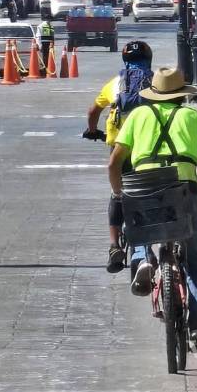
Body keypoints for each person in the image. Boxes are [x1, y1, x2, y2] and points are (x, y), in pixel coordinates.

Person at [108, 67, 197, 351]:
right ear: (182, 95)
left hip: (144, 188)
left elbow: (114, 163)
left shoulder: (138, 115)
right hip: (184, 189)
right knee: (195, 259)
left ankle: (142, 259)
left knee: (138, 226)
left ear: (154, 95)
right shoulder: (192, 117)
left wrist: (118, 191)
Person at [84, 41, 154, 273]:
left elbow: (93, 111)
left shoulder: (115, 84)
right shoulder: (158, 83)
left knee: (118, 194)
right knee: (152, 191)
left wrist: (92, 130)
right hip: (149, 148)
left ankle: (114, 246)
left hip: (120, 150)